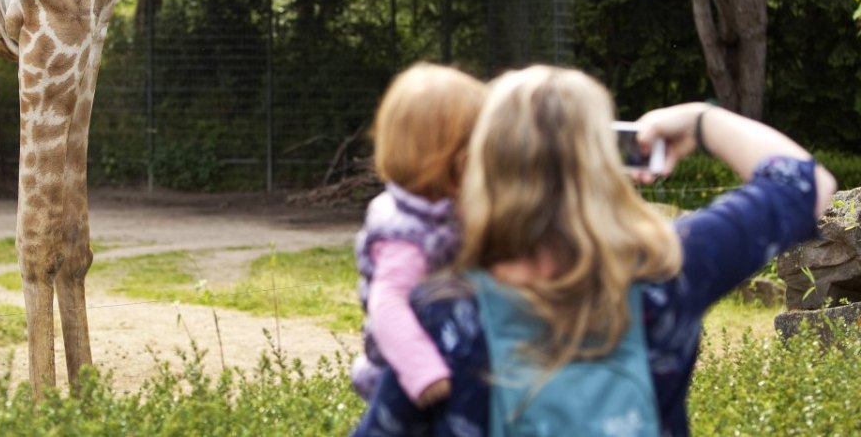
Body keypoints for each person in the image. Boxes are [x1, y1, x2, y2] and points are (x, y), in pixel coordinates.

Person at [352, 65, 837, 437]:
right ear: (602, 163)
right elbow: (806, 182)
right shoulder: (670, 271)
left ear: (480, 167)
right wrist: (700, 119)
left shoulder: (443, 316)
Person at [352, 62, 488, 408]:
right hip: (405, 381)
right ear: (444, 157)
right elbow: (387, 305)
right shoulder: (405, 233)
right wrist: (424, 372)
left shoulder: (444, 209)